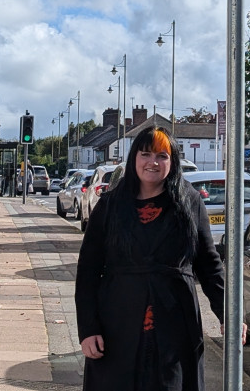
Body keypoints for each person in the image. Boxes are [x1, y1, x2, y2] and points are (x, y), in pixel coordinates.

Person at [76, 128, 240, 390]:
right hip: (117, 322)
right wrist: (87, 328)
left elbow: (209, 266)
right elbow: (87, 271)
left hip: (176, 322)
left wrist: (228, 315)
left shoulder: (189, 202)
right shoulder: (110, 205)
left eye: (162, 156)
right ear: (134, 159)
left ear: (172, 162)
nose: (153, 162)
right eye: (145, 154)